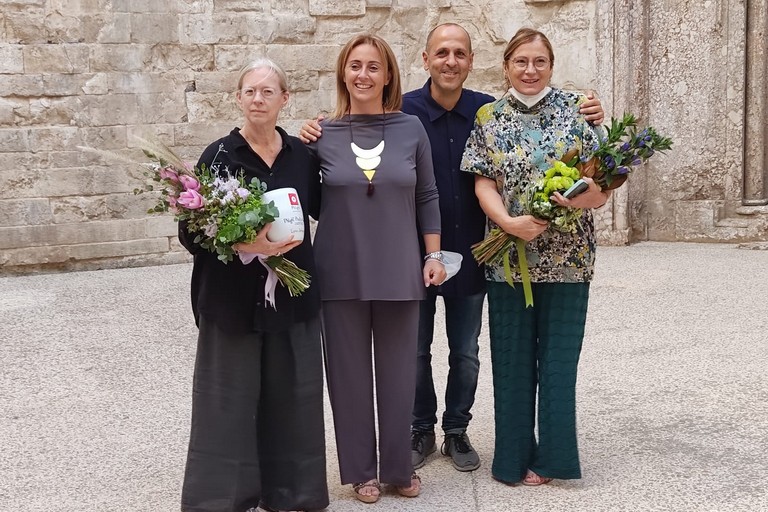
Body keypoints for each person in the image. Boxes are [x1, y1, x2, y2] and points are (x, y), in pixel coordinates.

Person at [300, 23, 605, 473]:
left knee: (466, 351)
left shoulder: (487, 111)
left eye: (459, 53)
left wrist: (593, 112)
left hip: (476, 249)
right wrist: (314, 130)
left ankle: (456, 430)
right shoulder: (400, 113)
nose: (450, 60)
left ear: (471, 61)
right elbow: (353, 139)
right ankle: (419, 428)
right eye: (441, 52)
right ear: (425, 60)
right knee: (415, 349)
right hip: (411, 255)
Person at [178, 58, 329, 512]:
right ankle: (221, 497)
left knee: (294, 397)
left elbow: (326, 209)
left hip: (293, 298)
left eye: (268, 91)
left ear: (285, 99)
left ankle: (293, 493)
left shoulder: (302, 157)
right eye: (250, 91)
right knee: (228, 402)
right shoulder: (219, 156)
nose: (258, 99)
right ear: (239, 99)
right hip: (231, 302)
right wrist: (240, 238)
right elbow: (190, 232)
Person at [461, 28, 609, 487]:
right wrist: (508, 223)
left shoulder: (577, 111)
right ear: (506, 65)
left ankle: (554, 459)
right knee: (511, 361)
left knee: (560, 363)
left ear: (551, 65)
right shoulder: (490, 116)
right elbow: (482, 180)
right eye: (521, 61)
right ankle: (511, 457)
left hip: (568, 261)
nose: (530, 70)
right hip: (508, 260)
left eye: (539, 61)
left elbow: (602, 186)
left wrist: (582, 201)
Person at [306, 33, 446, 504]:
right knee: (347, 377)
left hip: (399, 269)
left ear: (388, 76)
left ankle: (397, 469)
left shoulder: (411, 128)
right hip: (338, 272)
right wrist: (300, 142)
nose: (363, 74)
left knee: (398, 373)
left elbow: (427, 196)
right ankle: (361, 471)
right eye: (354, 65)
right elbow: (302, 196)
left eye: (373, 67)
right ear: (343, 72)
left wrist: (433, 255)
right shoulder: (321, 134)